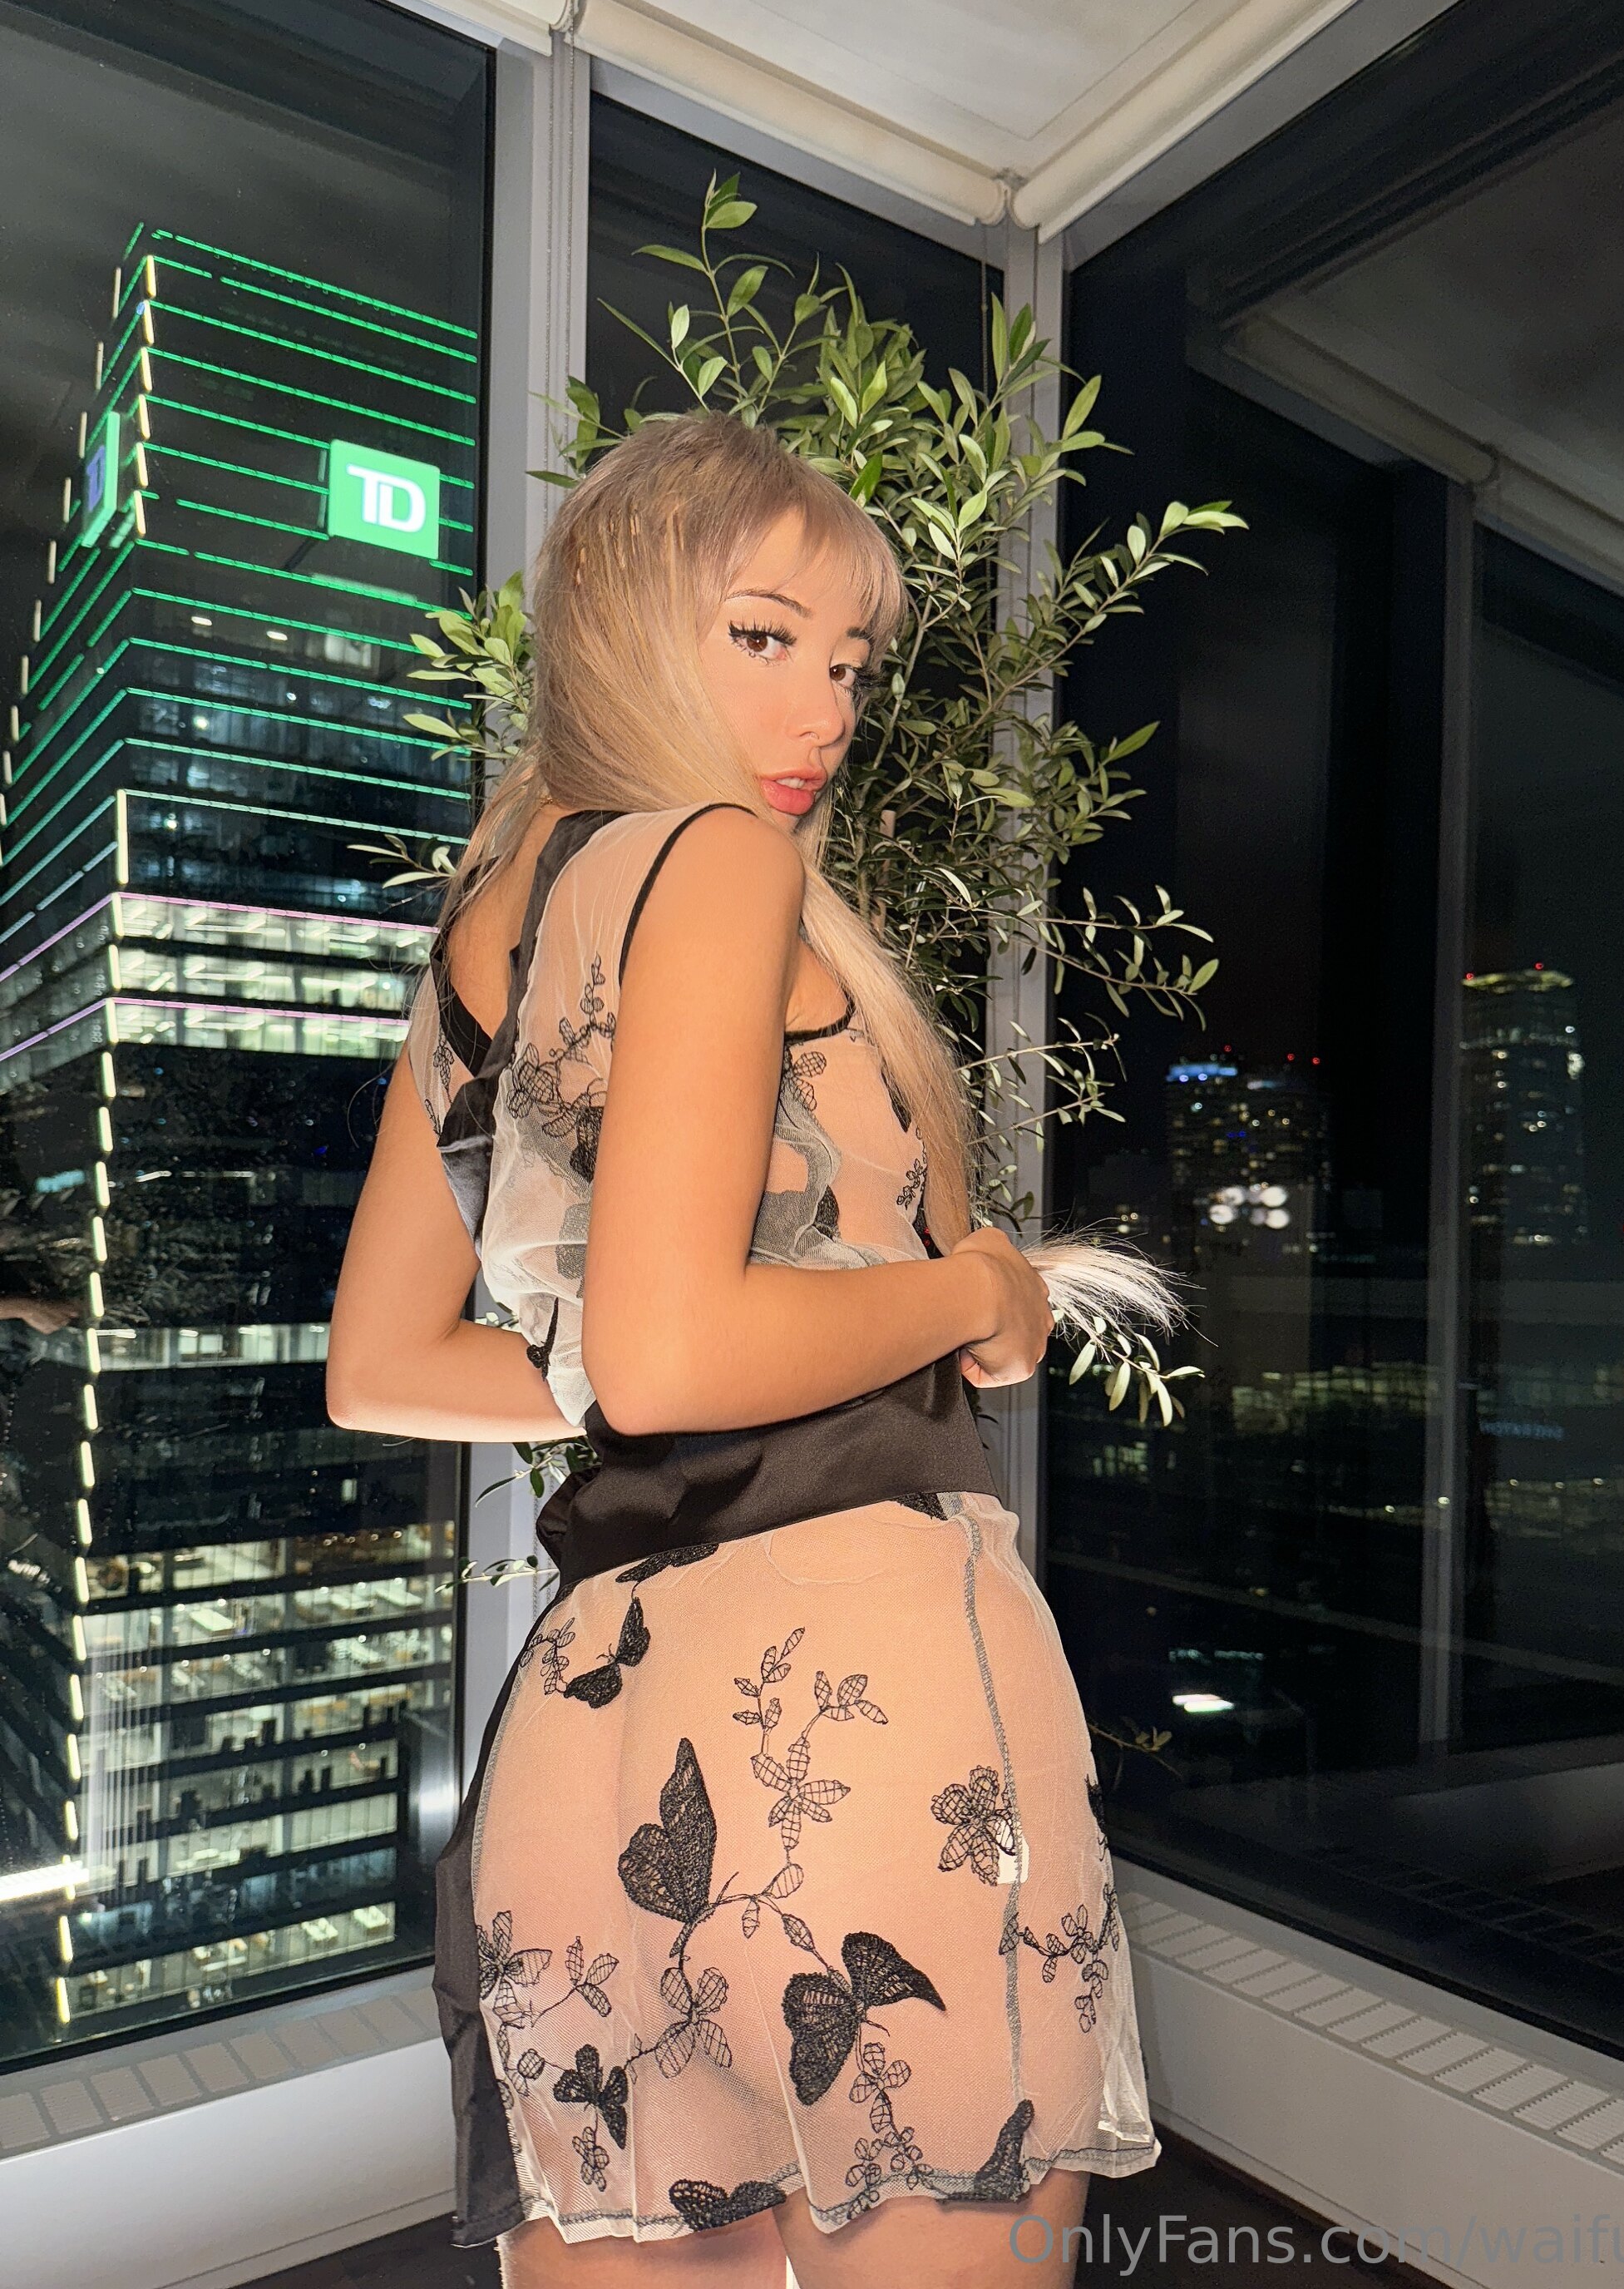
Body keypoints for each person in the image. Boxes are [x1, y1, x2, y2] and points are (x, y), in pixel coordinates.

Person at [328, 413, 1179, 2287]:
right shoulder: (713, 860)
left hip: (595, 1742)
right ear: (626, 620)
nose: (825, 711)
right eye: (765, 638)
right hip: (863, 1712)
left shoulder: (486, 939)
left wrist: (680, 1350)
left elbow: (383, 1364)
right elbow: (672, 1352)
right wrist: (974, 1296)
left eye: (851, 664)